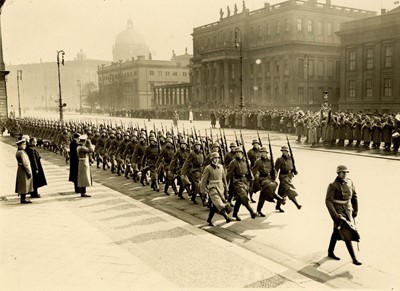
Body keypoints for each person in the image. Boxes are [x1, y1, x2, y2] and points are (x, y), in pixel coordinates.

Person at [325, 165, 362, 266]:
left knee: (336, 231)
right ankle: (354, 258)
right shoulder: (333, 185)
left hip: (348, 209)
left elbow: (354, 196)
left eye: (346, 172)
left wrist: (356, 210)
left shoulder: (350, 182)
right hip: (338, 211)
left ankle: (330, 251)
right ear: (338, 173)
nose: (344, 174)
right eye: (342, 172)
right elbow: (328, 201)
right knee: (347, 232)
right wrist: (335, 215)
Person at [200, 152, 233, 226]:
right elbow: (203, 180)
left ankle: (209, 219)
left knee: (215, 206)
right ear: (212, 159)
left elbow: (224, 178)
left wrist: (226, 188)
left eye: (217, 158)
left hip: (221, 188)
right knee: (219, 203)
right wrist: (203, 192)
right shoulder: (208, 168)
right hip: (213, 188)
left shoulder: (221, 167)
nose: (216, 159)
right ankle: (227, 217)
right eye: (215, 158)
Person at [226, 147, 257, 221]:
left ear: (242, 154)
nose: (238, 154)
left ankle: (235, 214)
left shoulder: (246, 161)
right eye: (236, 153)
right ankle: (251, 211)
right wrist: (226, 185)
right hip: (237, 181)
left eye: (239, 152)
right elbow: (228, 175)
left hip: (245, 181)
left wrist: (251, 177)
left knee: (240, 199)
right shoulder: (233, 162)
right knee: (243, 195)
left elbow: (249, 170)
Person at [275, 146, 302, 212]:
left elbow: (292, 167)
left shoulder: (290, 158)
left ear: (287, 152)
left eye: (285, 151)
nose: (283, 152)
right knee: (288, 190)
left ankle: (278, 206)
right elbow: (276, 169)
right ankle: (297, 204)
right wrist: (273, 177)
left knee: (281, 192)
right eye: (282, 151)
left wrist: (294, 171)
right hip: (283, 176)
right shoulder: (279, 159)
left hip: (289, 176)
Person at [15, 139, 33, 204]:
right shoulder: (22, 153)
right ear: (20, 145)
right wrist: (29, 172)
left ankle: (23, 198)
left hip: (20, 170)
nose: (25, 146)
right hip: (23, 170)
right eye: (23, 144)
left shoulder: (19, 152)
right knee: (24, 184)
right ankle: (23, 199)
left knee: (22, 184)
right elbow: (25, 163)